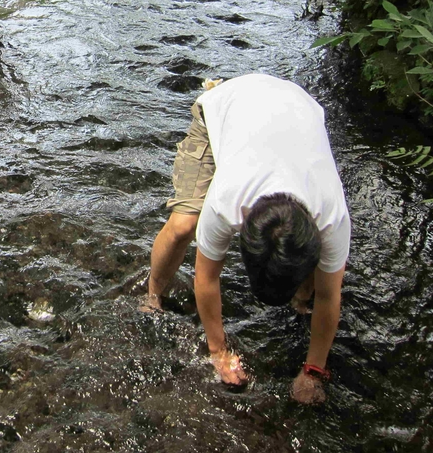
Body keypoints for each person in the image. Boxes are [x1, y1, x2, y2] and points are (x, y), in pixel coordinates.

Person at [144, 74, 350, 405]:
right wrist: (218, 351)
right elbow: (207, 277)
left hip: (296, 107)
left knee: (315, 280)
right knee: (184, 225)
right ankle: (153, 293)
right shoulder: (227, 201)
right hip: (225, 106)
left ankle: (299, 296)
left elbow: (329, 295)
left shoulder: (332, 217)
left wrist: (313, 371)